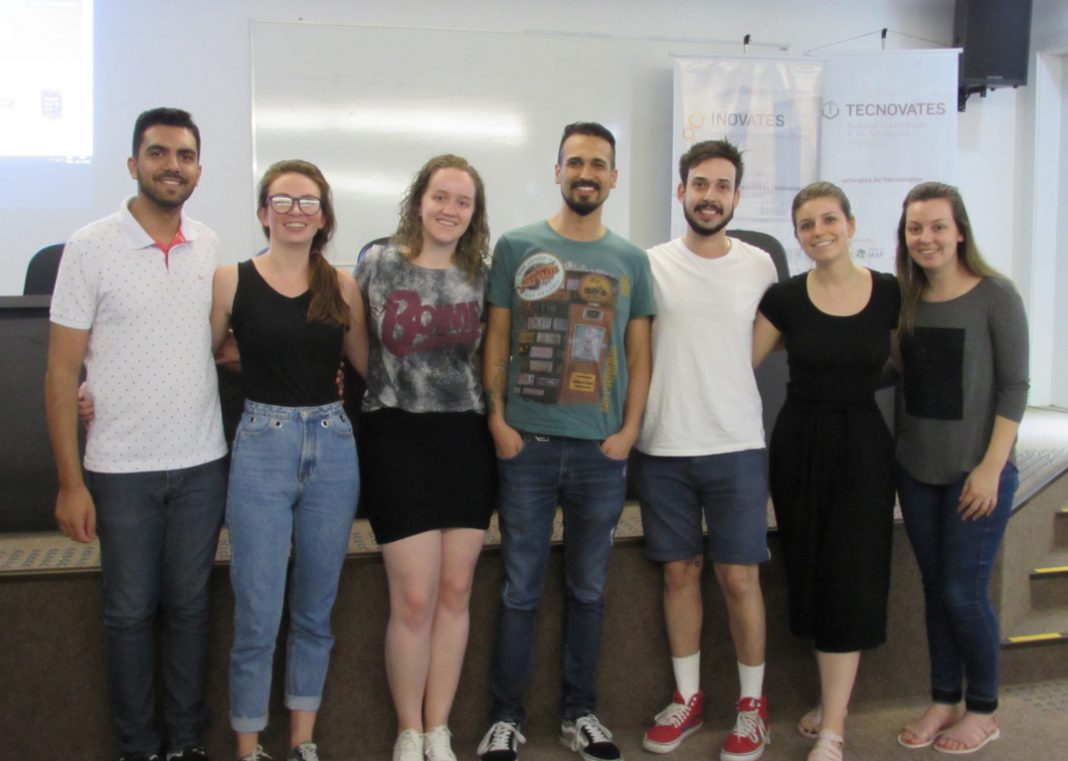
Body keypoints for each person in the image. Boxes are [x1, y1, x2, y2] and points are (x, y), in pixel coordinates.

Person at [46, 107, 227, 761]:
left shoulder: (210, 246)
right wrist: (71, 482)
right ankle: (138, 747)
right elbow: (61, 371)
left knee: (190, 607)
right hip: (120, 467)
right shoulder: (90, 246)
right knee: (127, 612)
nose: (171, 166)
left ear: (198, 170)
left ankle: (183, 743)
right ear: (133, 164)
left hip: (202, 462)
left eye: (184, 155)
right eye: (158, 153)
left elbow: (212, 345)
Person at [477, 122, 655, 761]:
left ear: (613, 177)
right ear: (557, 171)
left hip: (599, 453)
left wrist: (627, 433)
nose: (586, 173)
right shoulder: (517, 246)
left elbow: (640, 354)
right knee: (519, 589)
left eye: (598, 164)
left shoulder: (632, 260)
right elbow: (497, 339)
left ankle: (581, 714)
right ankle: (505, 718)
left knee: (588, 591)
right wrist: (498, 421)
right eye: (575, 162)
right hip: (525, 445)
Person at [210, 160, 365, 761]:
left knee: (315, 610)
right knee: (257, 612)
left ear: (324, 217)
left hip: (333, 447)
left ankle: (303, 743)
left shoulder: (341, 284)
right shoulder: (231, 280)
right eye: (283, 200)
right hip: (262, 448)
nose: (295, 212)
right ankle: (249, 748)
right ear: (262, 212)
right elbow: (207, 354)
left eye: (308, 202)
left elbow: (367, 366)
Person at [635, 140, 776, 761]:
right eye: (700, 184)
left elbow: (765, 340)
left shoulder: (760, 266)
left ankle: (752, 708)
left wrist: (726, 376)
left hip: (736, 443)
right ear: (682, 191)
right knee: (679, 573)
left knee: (739, 577)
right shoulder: (650, 264)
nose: (709, 196)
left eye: (722, 186)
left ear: (736, 196)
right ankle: (687, 698)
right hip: (664, 443)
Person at [356, 154, 497, 761]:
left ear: (474, 214)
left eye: (463, 202)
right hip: (397, 439)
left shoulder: (482, 275)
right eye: (441, 196)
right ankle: (408, 731)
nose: (449, 209)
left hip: (465, 441)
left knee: (456, 591)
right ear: (419, 200)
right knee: (413, 597)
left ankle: (438, 728)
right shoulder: (377, 263)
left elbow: (489, 359)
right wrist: (392, 389)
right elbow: (357, 344)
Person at [752, 182, 900, 761]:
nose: (820, 231)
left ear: (851, 224)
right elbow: (738, 362)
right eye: (807, 224)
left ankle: (834, 728)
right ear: (797, 236)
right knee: (812, 571)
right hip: (800, 445)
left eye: (829, 219)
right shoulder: (785, 298)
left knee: (850, 573)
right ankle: (830, 701)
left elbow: (910, 363)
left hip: (862, 446)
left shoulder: (890, 293)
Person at [893, 182, 1028, 755]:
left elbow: (1014, 387)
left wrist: (991, 467)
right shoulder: (905, 300)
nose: (925, 238)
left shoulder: (996, 295)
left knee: (963, 593)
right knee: (935, 589)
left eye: (937, 226)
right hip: (917, 471)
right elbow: (892, 374)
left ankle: (984, 709)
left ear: (960, 231)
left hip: (977, 474)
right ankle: (944, 698)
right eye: (915, 228)